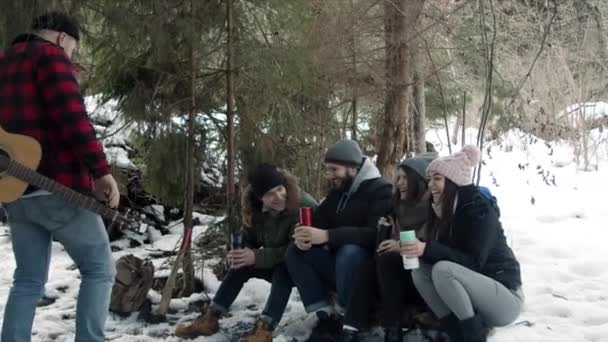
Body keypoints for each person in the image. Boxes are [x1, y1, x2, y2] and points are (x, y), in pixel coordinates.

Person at [0, 12, 120, 342]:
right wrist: (102, 172)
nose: (72, 57)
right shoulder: (51, 57)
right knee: (99, 269)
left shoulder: (4, 61)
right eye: (73, 50)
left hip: (14, 190)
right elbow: (73, 120)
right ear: (62, 39)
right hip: (58, 186)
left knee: (27, 280)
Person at [176, 163, 317, 342]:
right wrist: (236, 252)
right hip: (275, 261)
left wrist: (256, 256)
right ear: (260, 198)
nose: (278, 197)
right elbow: (248, 236)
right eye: (269, 194)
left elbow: (299, 249)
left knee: (283, 269)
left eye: (280, 189)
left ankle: (265, 330)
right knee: (242, 264)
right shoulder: (255, 210)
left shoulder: (303, 205)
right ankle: (211, 318)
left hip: (304, 267)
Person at [402, 146, 524, 342]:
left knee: (443, 270)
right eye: (429, 179)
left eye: (437, 179)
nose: (431, 185)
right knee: (419, 270)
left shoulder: (478, 210)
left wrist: (427, 248)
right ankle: (455, 334)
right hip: (475, 297)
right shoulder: (442, 209)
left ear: (453, 182)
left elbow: (474, 263)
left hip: (505, 299)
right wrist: (418, 248)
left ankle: (474, 338)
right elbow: (447, 253)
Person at [287, 139, 393, 342]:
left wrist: (328, 236)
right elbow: (320, 220)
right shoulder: (338, 190)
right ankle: (325, 317)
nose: (329, 175)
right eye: (327, 170)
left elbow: (374, 234)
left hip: (364, 270)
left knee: (350, 251)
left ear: (352, 168)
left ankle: (349, 317)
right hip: (337, 265)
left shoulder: (381, 189)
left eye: (334, 170)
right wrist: (304, 234)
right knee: (295, 252)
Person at [341, 154, 436, 342]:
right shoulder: (395, 208)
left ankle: (392, 329)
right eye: (397, 178)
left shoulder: (434, 208)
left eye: (405, 178)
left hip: (424, 278)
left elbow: (432, 244)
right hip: (394, 278)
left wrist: (399, 246)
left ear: (418, 180)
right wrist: (383, 233)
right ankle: (350, 328)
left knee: (387, 259)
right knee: (370, 266)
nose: (399, 183)